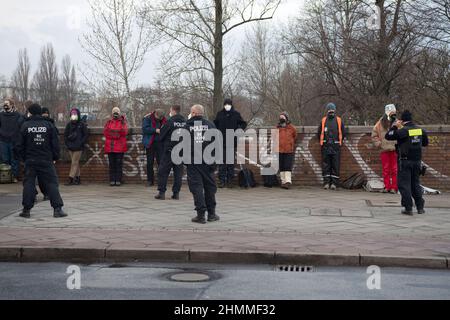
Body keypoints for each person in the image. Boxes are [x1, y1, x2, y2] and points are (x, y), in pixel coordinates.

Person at [14, 103, 66, 218]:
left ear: (30, 112)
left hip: (30, 160)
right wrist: (55, 157)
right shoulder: (48, 125)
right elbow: (55, 144)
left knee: (28, 184)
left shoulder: (25, 125)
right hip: (46, 159)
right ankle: (57, 209)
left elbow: (19, 145)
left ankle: (26, 210)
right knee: (52, 183)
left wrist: (24, 158)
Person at [385, 110, 428, 215]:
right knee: (415, 184)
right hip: (417, 161)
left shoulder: (403, 131)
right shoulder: (420, 130)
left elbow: (388, 136)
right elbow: (425, 143)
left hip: (404, 161)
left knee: (404, 185)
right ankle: (420, 207)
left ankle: (408, 208)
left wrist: (395, 126)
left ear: (402, 120)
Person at [185, 104, 220, 224]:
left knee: (197, 188)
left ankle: (200, 215)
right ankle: (211, 214)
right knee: (209, 187)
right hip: (208, 161)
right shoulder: (210, 125)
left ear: (194, 113)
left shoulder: (187, 126)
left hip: (193, 162)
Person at [214, 98, 247, 188]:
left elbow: (243, 124)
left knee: (230, 162)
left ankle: (230, 180)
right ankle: (221, 180)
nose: (227, 106)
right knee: (222, 162)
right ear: (224, 105)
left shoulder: (236, 114)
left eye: (228, 104)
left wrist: (238, 130)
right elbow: (215, 124)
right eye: (226, 104)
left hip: (232, 141)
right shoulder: (220, 114)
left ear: (231, 105)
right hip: (221, 141)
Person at [155, 105, 186, 200]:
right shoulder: (185, 122)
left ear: (173, 111)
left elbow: (161, 136)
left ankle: (162, 193)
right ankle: (176, 193)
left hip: (169, 151)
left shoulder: (170, 122)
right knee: (178, 173)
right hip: (181, 151)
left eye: (170, 111)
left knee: (163, 172)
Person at [317, 103, 346, 190]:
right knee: (326, 165)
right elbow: (319, 132)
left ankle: (334, 183)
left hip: (335, 146)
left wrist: (338, 141)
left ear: (334, 110)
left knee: (335, 165)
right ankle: (326, 182)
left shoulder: (339, 120)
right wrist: (323, 142)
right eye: (329, 110)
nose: (331, 111)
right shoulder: (323, 120)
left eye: (332, 110)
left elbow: (343, 132)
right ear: (327, 110)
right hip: (325, 146)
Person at [372, 104, 398, 194]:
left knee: (394, 170)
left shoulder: (397, 123)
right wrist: (379, 144)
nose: (393, 114)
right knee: (386, 169)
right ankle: (387, 187)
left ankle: (394, 187)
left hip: (395, 149)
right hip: (384, 149)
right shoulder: (380, 123)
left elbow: (403, 133)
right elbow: (374, 135)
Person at [0, 98, 24, 183]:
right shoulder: (1, 115)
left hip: (14, 141)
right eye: (4, 104)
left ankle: (14, 176)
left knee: (14, 160)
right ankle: (5, 177)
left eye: (7, 103)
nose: (5, 105)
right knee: (4, 159)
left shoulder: (18, 115)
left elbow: (21, 127)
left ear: (12, 105)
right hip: (3, 140)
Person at [64, 108, 89, 186]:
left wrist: (81, 143)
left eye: (75, 114)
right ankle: (78, 178)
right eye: (72, 115)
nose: (74, 116)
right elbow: (65, 135)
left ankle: (71, 178)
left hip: (78, 147)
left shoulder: (81, 124)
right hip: (70, 147)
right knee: (76, 163)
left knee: (74, 163)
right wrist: (67, 144)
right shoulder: (69, 125)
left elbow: (85, 135)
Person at [142, 109, 167, 187]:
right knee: (150, 163)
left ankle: (161, 180)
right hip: (150, 143)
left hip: (160, 143)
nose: (159, 119)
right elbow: (145, 129)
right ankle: (150, 180)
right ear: (155, 114)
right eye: (158, 117)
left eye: (160, 118)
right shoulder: (148, 118)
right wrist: (155, 130)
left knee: (161, 163)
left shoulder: (164, 119)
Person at [104, 107, 128, 186]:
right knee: (112, 164)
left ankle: (118, 180)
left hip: (119, 147)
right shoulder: (109, 121)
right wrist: (117, 133)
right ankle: (112, 180)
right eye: (114, 112)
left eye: (117, 112)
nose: (115, 114)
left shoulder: (123, 122)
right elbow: (106, 133)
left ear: (119, 113)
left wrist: (113, 132)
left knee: (118, 164)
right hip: (110, 147)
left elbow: (124, 132)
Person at [276, 112, 297, 189]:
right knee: (281, 166)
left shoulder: (291, 128)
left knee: (287, 166)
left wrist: (291, 143)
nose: (281, 118)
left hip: (289, 150)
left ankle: (288, 182)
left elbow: (295, 136)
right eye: (280, 117)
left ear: (286, 118)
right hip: (280, 150)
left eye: (283, 117)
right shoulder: (277, 128)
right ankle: (283, 181)